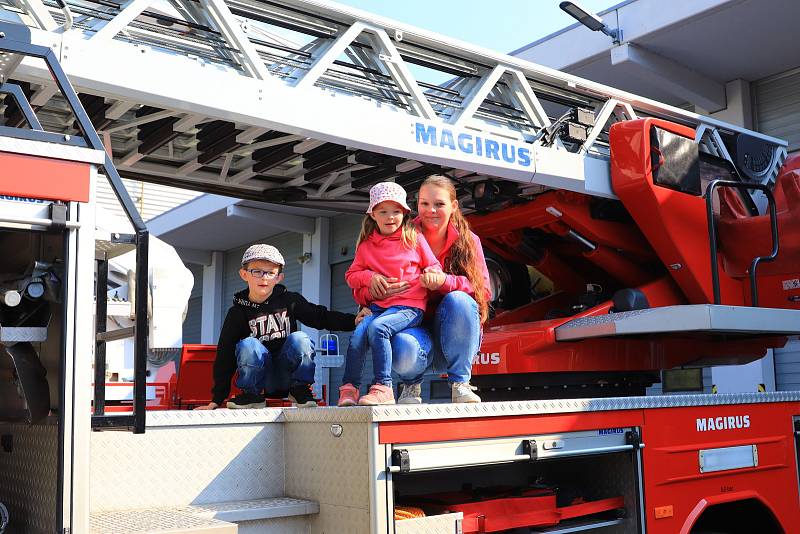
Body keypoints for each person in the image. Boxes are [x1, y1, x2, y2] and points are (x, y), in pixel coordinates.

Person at [196, 244, 361, 410]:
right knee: (248, 344)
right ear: (244, 274)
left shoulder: (289, 300)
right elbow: (225, 353)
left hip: (287, 377)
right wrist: (216, 399)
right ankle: (252, 395)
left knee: (300, 338)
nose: (264, 278)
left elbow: (320, 317)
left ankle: (300, 389)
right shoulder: (237, 312)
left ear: (279, 277)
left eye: (270, 272)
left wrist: (353, 321)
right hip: (260, 380)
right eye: (257, 271)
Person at [374, 175, 490, 404]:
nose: (431, 210)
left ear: (454, 206)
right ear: (416, 205)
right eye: (425, 204)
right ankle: (410, 386)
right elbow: (368, 271)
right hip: (413, 329)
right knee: (402, 344)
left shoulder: (469, 240)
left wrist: (444, 282)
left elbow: (483, 291)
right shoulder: (399, 235)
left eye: (439, 204)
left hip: (454, 332)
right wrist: (366, 297)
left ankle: (460, 384)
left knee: (460, 300)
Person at [338, 182, 442, 406]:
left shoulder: (414, 238)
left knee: (378, 328)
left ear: (404, 213)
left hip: (409, 307)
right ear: (373, 214)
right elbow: (351, 275)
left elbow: (434, 265)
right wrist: (370, 278)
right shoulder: (366, 246)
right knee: (358, 335)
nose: (390, 217)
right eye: (383, 211)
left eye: (396, 211)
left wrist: (432, 274)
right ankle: (350, 388)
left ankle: (384, 387)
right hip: (379, 308)